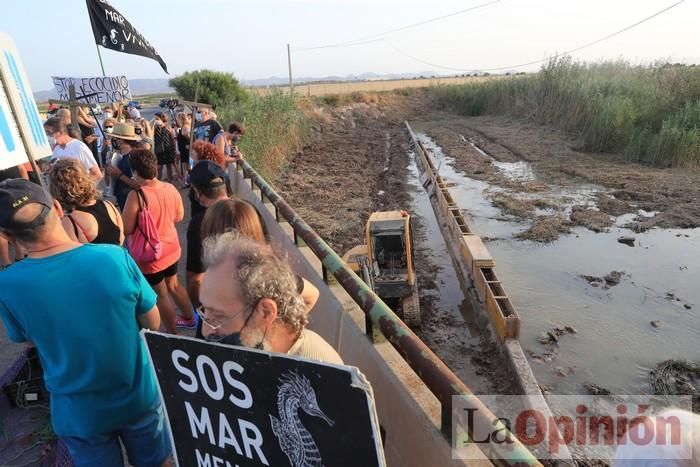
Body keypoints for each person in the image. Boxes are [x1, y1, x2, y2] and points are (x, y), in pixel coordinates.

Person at [0, 179, 171, 466]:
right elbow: (153, 323)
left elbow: (31, 340)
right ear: (56, 207)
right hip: (136, 396)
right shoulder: (115, 257)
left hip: (78, 414)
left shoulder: (7, 285)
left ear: (6, 235)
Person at [200, 232, 341, 364]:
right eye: (204, 312)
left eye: (218, 316)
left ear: (265, 312)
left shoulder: (321, 375)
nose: (205, 331)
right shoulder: (256, 351)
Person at [198, 198, 320, 335]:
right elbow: (312, 294)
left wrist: (275, 333)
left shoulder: (266, 279)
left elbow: (312, 294)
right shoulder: (267, 278)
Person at [121, 149, 195, 333]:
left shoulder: (136, 196)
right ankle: (190, 318)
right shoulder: (170, 188)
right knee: (174, 284)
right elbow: (179, 216)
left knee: (161, 295)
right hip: (171, 248)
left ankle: (173, 334)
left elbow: (127, 228)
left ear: (136, 172)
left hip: (151, 255)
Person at [185, 162, 231, 328]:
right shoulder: (248, 211)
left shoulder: (200, 223)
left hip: (216, 308)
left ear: (197, 192)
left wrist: (201, 312)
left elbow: (195, 280)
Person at [49, 159, 124, 245]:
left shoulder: (70, 222)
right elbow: (121, 238)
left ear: (57, 190)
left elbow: (74, 255)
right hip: (120, 257)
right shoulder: (109, 205)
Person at [44, 117, 102, 182]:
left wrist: (78, 185)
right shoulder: (56, 150)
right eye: (45, 133)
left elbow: (97, 174)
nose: (47, 136)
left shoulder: (79, 147)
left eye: (48, 132)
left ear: (60, 132)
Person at [105, 122, 141, 211]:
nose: (111, 140)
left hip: (132, 201)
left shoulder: (134, 157)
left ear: (121, 140)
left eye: (114, 138)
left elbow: (138, 185)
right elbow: (109, 180)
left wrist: (119, 174)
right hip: (122, 198)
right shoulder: (118, 155)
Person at [153, 112, 177, 183]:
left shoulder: (167, 127)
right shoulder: (155, 127)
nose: (155, 120)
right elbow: (150, 132)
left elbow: (172, 138)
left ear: (161, 118)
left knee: (168, 166)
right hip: (158, 148)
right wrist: (153, 123)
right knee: (159, 167)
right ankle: (158, 181)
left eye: (157, 118)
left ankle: (170, 181)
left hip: (167, 148)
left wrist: (174, 149)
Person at [175, 112, 191, 181]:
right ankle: (188, 181)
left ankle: (191, 182)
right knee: (186, 167)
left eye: (178, 119)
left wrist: (190, 145)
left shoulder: (186, 127)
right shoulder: (183, 127)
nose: (177, 121)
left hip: (186, 150)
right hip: (183, 150)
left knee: (189, 167)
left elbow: (190, 138)